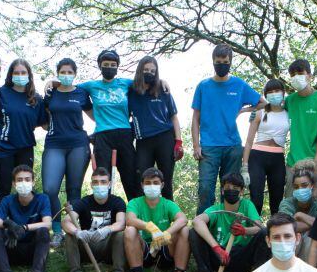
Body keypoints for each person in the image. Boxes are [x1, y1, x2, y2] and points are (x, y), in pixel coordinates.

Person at [191, 44, 264, 213]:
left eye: (225, 61)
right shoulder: (203, 86)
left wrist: (243, 110)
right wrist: (196, 145)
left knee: (231, 191)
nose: (221, 64)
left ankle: (228, 229)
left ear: (230, 62)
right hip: (209, 146)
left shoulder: (239, 84)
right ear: (213, 62)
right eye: (218, 61)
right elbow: (195, 118)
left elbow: (262, 103)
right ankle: (204, 229)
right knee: (205, 189)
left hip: (233, 146)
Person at [190, 173, 269, 272]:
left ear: (242, 191)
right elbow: (197, 221)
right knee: (193, 233)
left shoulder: (247, 205)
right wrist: (216, 248)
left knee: (265, 232)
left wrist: (245, 230)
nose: (231, 190)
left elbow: (259, 228)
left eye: (236, 188)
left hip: (242, 256)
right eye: (227, 187)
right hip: (219, 256)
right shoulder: (215, 210)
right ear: (222, 190)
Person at [42, 58, 93, 243]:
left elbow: (96, 116)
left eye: (69, 72)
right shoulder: (51, 92)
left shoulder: (81, 93)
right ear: (57, 73)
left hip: (78, 145)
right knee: (49, 188)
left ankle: (73, 230)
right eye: (62, 72)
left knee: (74, 190)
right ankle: (57, 231)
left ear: (75, 74)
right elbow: (43, 119)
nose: (66, 75)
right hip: (54, 144)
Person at [79, 49, 141, 199]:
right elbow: (69, 89)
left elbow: (147, 83)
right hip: (102, 135)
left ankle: (134, 215)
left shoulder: (125, 83)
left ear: (117, 67)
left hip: (124, 133)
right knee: (103, 177)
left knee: (130, 176)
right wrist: (53, 82)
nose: (109, 67)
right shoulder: (91, 85)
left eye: (113, 64)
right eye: (106, 64)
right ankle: (105, 216)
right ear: (100, 66)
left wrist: (162, 81)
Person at [61, 166, 129, 272]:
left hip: (108, 248)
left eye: (103, 182)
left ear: (109, 184)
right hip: (87, 247)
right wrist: (77, 232)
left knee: (121, 234)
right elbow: (66, 222)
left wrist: (107, 229)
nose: (99, 185)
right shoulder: (84, 202)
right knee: (70, 235)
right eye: (96, 182)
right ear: (91, 184)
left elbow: (121, 223)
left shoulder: (117, 201)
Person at [122, 168, 192, 272]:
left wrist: (166, 234)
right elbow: (130, 219)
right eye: (148, 183)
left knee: (184, 230)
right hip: (144, 250)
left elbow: (183, 219)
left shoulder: (168, 204)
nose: (151, 186)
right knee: (130, 230)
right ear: (142, 185)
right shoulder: (135, 203)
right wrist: (151, 228)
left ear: (162, 185)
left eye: (155, 182)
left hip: (165, 248)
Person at [0, 165, 52, 272]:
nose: (23, 183)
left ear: (33, 182)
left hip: (33, 251)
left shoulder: (42, 199)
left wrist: (24, 227)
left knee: (43, 231)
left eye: (27, 179)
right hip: (12, 249)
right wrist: (9, 225)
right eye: (19, 180)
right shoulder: (7, 200)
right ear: (13, 184)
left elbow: (48, 224)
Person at [128, 55, 183, 199]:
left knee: (166, 181)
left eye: (153, 71)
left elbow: (174, 117)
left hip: (165, 138)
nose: (149, 73)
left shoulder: (163, 90)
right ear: (140, 70)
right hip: (143, 141)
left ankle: (170, 219)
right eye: (146, 70)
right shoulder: (130, 91)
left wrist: (178, 142)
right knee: (142, 180)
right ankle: (140, 218)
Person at [0, 58, 47, 200]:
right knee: (4, 188)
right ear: (11, 74)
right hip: (3, 147)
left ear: (29, 75)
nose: (20, 75)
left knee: (25, 188)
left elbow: (44, 124)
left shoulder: (36, 98)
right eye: (16, 72)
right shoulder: (1, 93)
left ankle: (24, 221)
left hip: (25, 148)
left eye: (23, 72)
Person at [242, 79, 290, 215]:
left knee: (277, 202)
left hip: (278, 159)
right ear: (266, 95)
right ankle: (253, 233)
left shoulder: (288, 113)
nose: (274, 94)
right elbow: (249, 141)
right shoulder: (260, 113)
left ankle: (275, 233)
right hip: (257, 157)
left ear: (283, 92)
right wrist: (245, 166)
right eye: (270, 92)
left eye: (277, 91)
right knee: (256, 200)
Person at [282, 59, 317, 171]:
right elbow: (272, 111)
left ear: (310, 76)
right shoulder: (289, 101)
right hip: (292, 163)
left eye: (300, 73)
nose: (296, 77)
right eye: (293, 75)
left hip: (316, 162)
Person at [277, 167, 317, 262]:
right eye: (296, 187)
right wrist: (313, 224)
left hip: (311, 248)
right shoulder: (286, 203)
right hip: (289, 248)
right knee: (293, 235)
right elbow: (286, 227)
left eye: (304, 185)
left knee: (310, 237)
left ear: (312, 185)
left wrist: (300, 215)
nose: (300, 189)